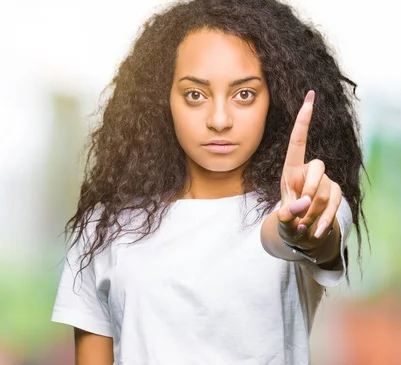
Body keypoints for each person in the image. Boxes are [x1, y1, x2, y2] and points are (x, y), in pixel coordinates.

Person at [51, 0, 367, 364]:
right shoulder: (104, 228)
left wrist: (299, 230)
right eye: (195, 95)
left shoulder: (307, 202)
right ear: (162, 99)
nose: (219, 119)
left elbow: (300, 239)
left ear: (274, 99)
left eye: (244, 94)